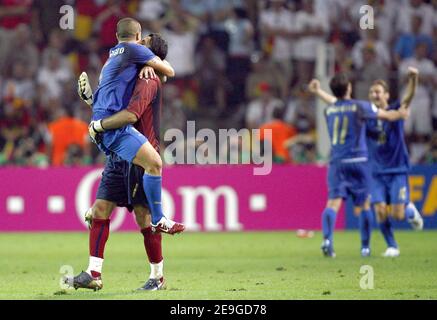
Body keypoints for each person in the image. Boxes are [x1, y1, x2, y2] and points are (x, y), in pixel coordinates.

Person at [68, 34, 171, 291]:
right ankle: (94, 273)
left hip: (138, 155)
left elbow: (129, 116)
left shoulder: (148, 79)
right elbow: (115, 109)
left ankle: (157, 276)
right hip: (118, 156)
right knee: (100, 210)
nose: (134, 47)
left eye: (142, 44)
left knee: (143, 218)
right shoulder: (130, 77)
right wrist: (93, 101)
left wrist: (98, 125)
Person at [309, 68, 424, 258]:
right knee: (375, 208)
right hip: (373, 169)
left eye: (378, 91)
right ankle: (386, 246)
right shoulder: (363, 111)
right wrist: (399, 115)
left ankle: (407, 207)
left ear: (386, 95)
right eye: (372, 92)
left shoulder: (382, 109)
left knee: (396, 214)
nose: (374, 94)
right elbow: (341, 103)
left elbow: (407, 99)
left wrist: (413, 80)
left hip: (394, 169)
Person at [84, 17, 182, 234]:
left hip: (126, 137)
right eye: (142, 39)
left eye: (145, 43)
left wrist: (92, 105)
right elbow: (127, 112)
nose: (141, 44)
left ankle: (156, 264)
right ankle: (159, 220)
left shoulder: (118, 60)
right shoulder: (136, 61)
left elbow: (164, 75)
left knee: (138, 214)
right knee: (153, 168)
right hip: (124, 135)